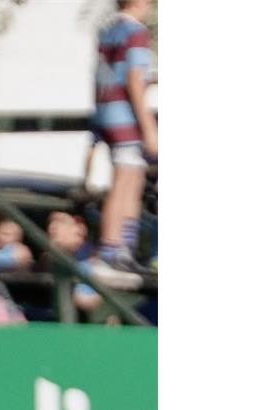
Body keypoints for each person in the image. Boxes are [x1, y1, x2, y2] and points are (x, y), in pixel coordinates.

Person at [92, 0, 156, 272]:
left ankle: (124, 249)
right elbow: (133, 79)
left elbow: (110, 74)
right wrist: (149, 127)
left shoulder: (109, 30)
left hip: (107, 110)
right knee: (125, 181)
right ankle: (111, 247)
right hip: (125, 117)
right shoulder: (136, 33)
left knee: (134, 177)